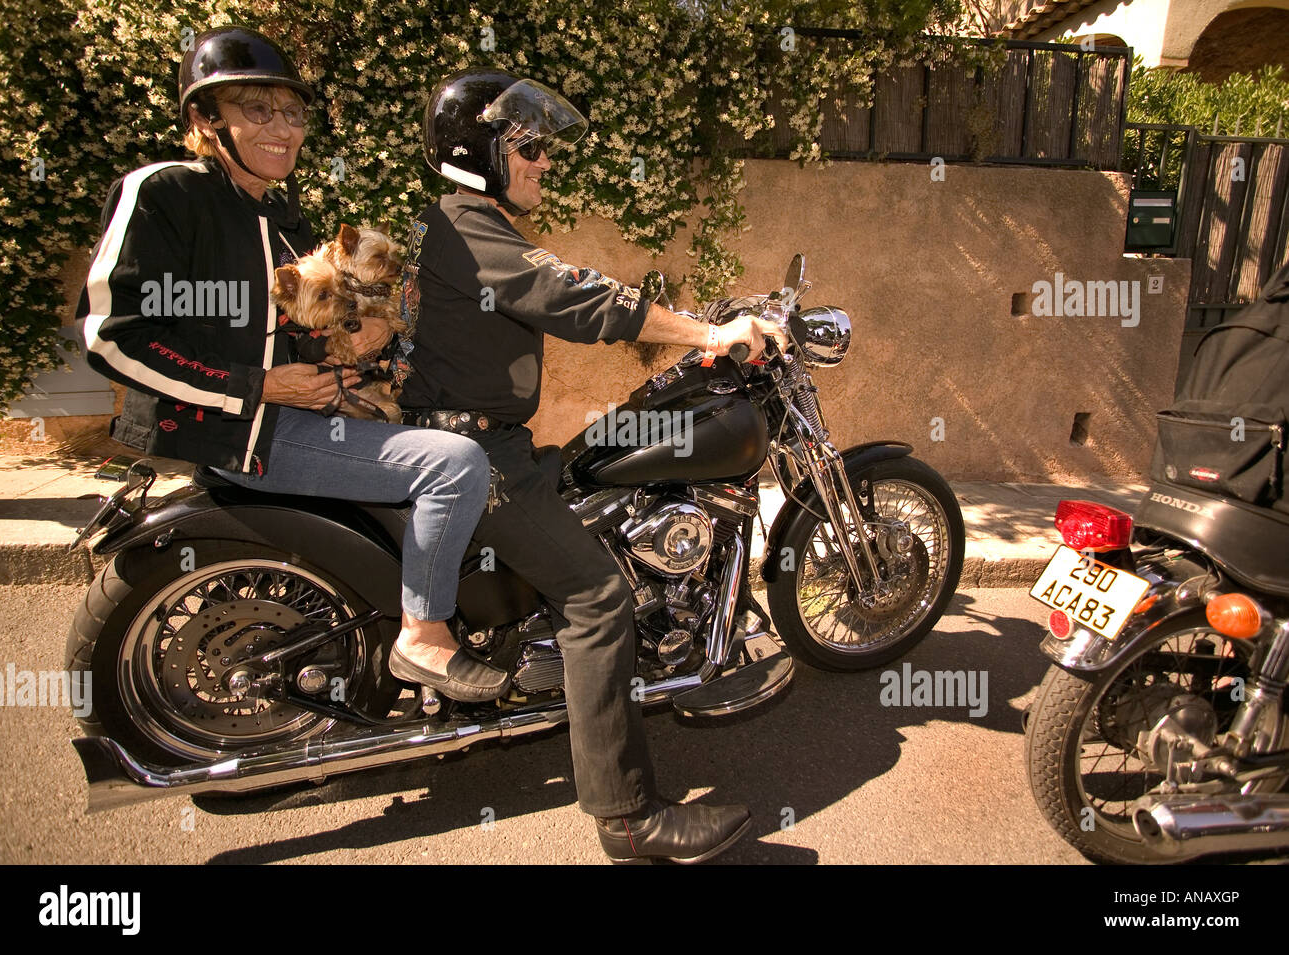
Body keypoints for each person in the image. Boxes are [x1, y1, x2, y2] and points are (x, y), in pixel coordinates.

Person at [403, 69, 787, 863]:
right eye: (529, 146)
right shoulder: (469, 227)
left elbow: (563, 286)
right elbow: (570, 292)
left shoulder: (464, 223)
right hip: (475, 452)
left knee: (585, 493)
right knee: (598, 593)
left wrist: (689, 319)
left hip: (483, 438)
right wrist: (709, 336)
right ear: (481, 151)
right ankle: (628, 816)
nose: (545, 161)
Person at [78, 26, 499, 705]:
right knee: (452, 464)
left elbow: (296, 331)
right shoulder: (165, 193)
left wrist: (355, 347)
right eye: (257, 110)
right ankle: (423, 634)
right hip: (233, 431)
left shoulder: (283, 214)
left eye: (292, 114)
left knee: (458, 428)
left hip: (292, 413)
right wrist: (256, 387)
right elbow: (112, 335)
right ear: (204, 119)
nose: (282, 129)